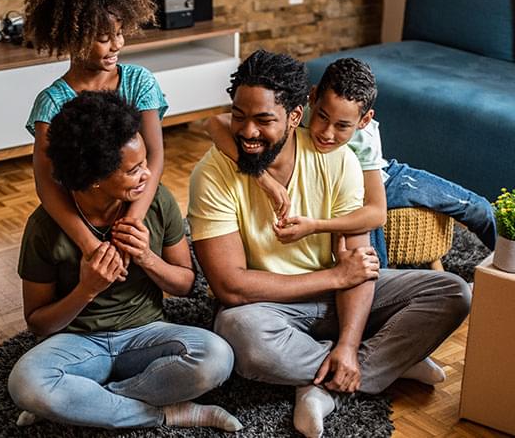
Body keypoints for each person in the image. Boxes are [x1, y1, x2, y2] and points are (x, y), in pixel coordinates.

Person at [188, 50, 472, 438]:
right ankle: (387, 365)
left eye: (263, 119)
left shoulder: (339, 160)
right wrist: (335, 277)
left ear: (294, 116)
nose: (248, 131)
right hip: (267, 308)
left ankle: (329, 380)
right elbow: (231, 287)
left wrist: (350, 346)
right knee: (239, 332)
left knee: (452, 291)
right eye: (239, 115)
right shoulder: (212, 174)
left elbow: (358, 259)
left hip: (336, 299)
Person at [8, 91, 242, 432]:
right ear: (95, 178)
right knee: (25, 384)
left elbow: (187, 285)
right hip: (77, 343)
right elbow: (40, 324)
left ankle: (88, 401)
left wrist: (147, 258)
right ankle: (168, 414)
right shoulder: (45, 227)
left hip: (145, 335)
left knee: (217, 357)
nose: (148, 175)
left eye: (145, 162)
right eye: (134, 170)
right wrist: (86, 289)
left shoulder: (156, 202)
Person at [203, 57, 496, 267]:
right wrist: (261, 177)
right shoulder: (293, 113)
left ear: (364, 120)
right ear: (313, 99)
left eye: (342, 126)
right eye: (322, 117)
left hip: (385, 180)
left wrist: (317, 226)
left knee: (477, 207)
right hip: (331, 183)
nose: (327, 133)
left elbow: (375, 212)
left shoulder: (365, 139)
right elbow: (215, 123)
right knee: (367, 260)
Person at [23, 0, 166, 266]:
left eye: (119, 33)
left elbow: (154, 155)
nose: (117, 45)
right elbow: (47, 184)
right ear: (73, 38)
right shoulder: (51, 103)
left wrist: (131, 225)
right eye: (104, 37)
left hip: (136, 199)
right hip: (84, 212)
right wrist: (89, 244)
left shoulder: (139, 82)